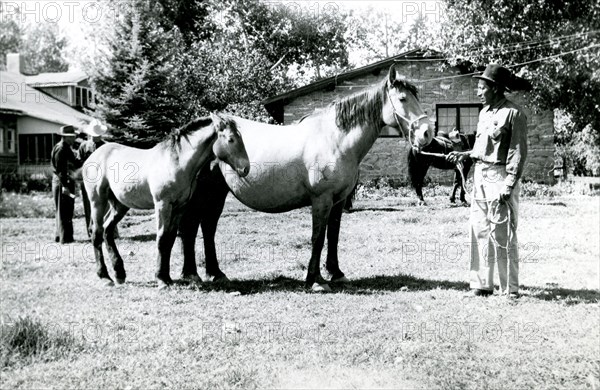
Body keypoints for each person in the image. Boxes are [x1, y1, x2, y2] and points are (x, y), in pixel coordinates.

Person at [447, 64, 528, 299]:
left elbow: (517, 153)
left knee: (502, 233)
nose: (478, 92)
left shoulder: (514, 113)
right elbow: (481, 148)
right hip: (480, 176)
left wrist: (509, 184)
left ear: (495, 88)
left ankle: (509, 289)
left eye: (482, 87)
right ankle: (481, 285)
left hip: (500, 177)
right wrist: (465, 154)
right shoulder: (484, 113)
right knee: (479, 229)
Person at [78, 119, 107, 237]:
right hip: (88, 180)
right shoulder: (84, 146)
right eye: (94, 136)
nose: (95, 138)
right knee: (89, 204)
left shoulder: (105, 146)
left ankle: (106, 230)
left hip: (102, 180)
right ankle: (91, 230)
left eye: (98, 136)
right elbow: (79, 161)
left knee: (104, 205)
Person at [51, 125, 80, 244]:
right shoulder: (61, 149)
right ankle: (65, 238)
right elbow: (60, 170)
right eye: (72, 137)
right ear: (66, 137)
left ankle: (61, 236)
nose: (74, 139)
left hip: (65, 181)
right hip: (62, 182)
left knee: (65, 210)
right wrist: (65, 186)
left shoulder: (66, 147)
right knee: (64, 210)